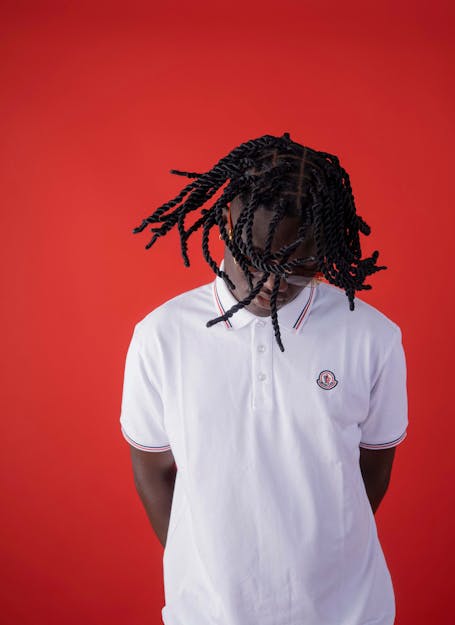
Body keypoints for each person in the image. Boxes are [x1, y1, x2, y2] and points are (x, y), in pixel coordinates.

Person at [119, 132, 409, 625]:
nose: (272, 285)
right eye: (256, 260)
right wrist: (207, 564)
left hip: (348, 613)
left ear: (326, 250)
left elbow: (374, 467)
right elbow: (152, 468)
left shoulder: (372, 338)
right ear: (228, 222)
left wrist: (322, 552)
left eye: (298, 268)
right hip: (208, 615)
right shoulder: (161, 337)